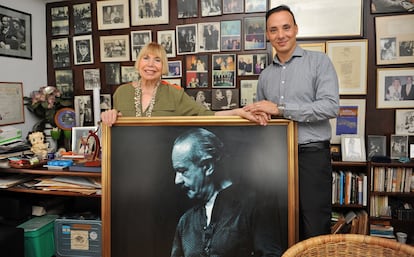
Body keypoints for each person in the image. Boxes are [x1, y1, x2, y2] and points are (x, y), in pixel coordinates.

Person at [243, 5, 339, 240]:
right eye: (273, 30)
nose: (281, 35)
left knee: (314, 224)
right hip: (276, 159)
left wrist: (280, 109)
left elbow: (330, 107)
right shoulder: (265, 76)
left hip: (312, 156)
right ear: (267, 35)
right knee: (279, 226)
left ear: (296, 29)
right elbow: (264, 122)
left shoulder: (319, 62)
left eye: (286, 27)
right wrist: (257, 115)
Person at [170, 128, 283, 257]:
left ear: (208, 166)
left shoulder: (254, 207)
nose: (177, 180)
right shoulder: (186, 222)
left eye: (182, 170)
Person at [101, 42, 267, 125]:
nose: (151, 65)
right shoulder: (121, 93)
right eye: (146, 58)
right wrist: (107, 118)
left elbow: (207, 116)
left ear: (163, 67)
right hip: (127, 161)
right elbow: (111, 131)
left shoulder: (175, 93)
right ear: (139, 63)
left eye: (157, 60)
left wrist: (239, 112)